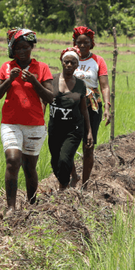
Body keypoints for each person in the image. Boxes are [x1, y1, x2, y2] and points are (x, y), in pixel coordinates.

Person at [0, 28, 54, 216]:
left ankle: (32, 204)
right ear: (13, 49)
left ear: (32, 47)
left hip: (35, 124)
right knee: (12, 161)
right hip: (10, 123)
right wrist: (9, 80)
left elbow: (50, 97)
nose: (22, 52)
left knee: (29, 167)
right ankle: (11, 207)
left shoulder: (42, 68)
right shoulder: (6, 67)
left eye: (25, 47)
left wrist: (35, 83)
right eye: (18, 48)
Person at [69, 26, 111, 186]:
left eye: (86, 42)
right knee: (68, 144)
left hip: (92, 106)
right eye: (79, 43)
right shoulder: (71, 58)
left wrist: (107, 107)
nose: (82, 46)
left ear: (91, 43)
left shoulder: (98, 61)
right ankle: (74, 176)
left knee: (88, 146)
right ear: (75, 43)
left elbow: (104, 86)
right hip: (72, 105)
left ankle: (85, 184)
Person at [48, 48, 93, 191]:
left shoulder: (80, 85)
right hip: (54, 128)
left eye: (72, 63)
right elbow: (44, 101)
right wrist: (41, 122)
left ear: (76, 66)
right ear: (61, 62)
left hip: (73, 130)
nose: (68, 65)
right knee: (55, 162)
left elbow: (84, 109)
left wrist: (89, 131)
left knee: (64, 159)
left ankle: (63, 188)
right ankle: (67, 181)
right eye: (66, 62)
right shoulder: (52, 80)